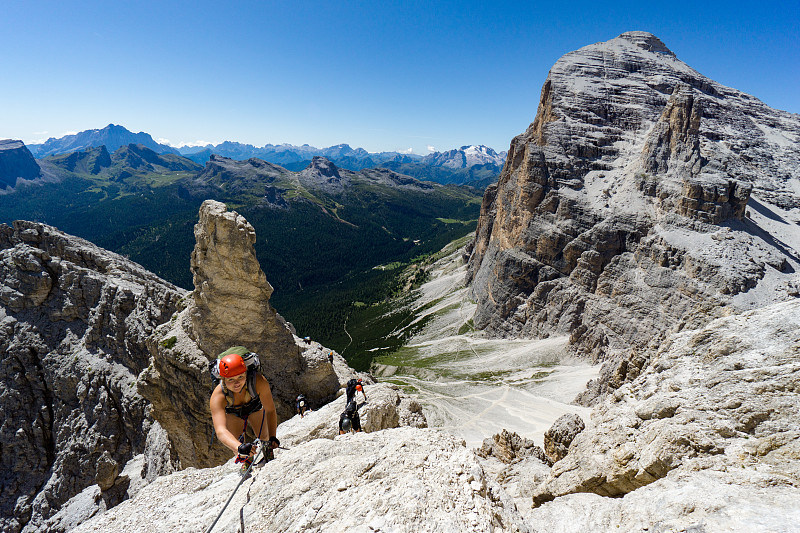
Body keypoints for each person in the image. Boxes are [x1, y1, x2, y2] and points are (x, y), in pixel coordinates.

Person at [210, 350, 280, 471]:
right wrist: (239, 447)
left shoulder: (259, 381)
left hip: (253, 407)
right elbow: (221, 431)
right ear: (223, 379)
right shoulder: (218, 396)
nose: (237, 383)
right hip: (234, 412)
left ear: (246, 374)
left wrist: (272, 437)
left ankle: (267, 452)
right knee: (237, 444)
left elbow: (270, 410)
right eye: (231, 380)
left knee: (264, 437)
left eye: (240, 377)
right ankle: (245, 461)